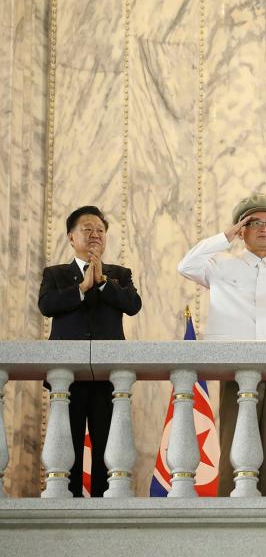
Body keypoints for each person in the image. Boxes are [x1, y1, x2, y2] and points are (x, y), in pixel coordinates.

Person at [178, 193, 266, 497]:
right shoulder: (221, 264)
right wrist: (226, 236)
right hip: (236, 371)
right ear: (242, 229)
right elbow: (185, 265)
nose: (264, 228)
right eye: (254, 222)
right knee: (235, 453)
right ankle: (230, 522)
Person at [38, 205, 142, 497]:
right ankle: (65, 504)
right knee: (66, 443)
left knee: (106, 446)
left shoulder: (119, 274)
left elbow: (133, 305)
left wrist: (103, 283)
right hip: (66, 377)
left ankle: (102, 504)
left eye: (100, 230)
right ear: (71, 237)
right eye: (87, 229)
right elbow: (47, 306)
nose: (95, 235)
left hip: (108, 378)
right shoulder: (55, 274)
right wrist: (82, 288)